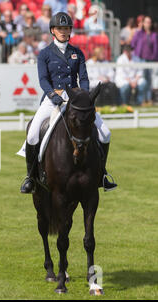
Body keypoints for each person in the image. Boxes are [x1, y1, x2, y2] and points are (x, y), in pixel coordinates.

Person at [20, 12, 117, 194]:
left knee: (105, 133)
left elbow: (84, 78)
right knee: (33, 134)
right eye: (60, 28)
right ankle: (30, 177)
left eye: (66, 28)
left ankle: (102, 174)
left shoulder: (77, 53)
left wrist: (86, 97)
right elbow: (43, 80)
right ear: (53, 31)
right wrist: (53, 96)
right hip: (52, 99)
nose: (63, 31)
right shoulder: (45, 54)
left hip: (76, 100)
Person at [131, 15, 158, 106]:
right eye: (146, 22)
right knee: (143, 80)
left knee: (150, 80)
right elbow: (133, 43)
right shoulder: (139, 33)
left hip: (152, 60)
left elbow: (156, 48)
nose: (148, 24)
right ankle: (141, 100)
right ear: (143, 23)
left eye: (149, 22)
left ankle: (149, 99)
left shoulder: (154, 34)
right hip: (141, 60)